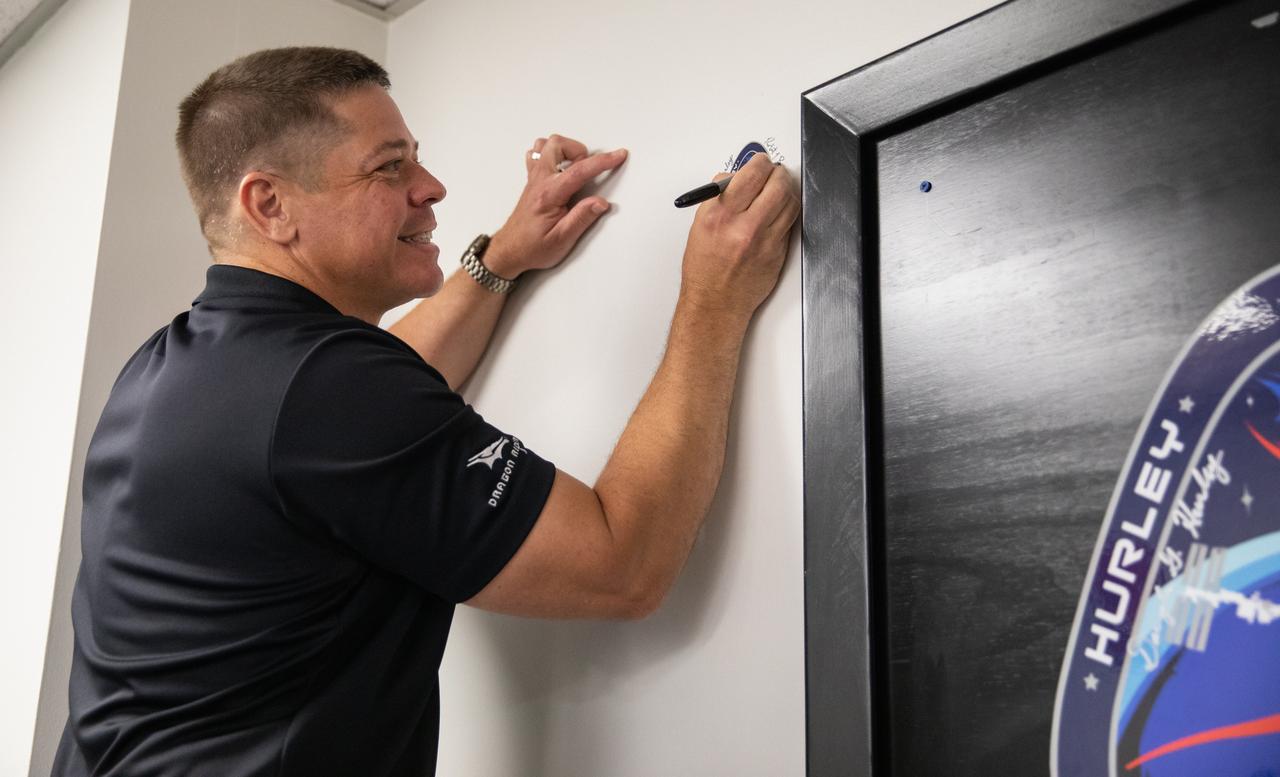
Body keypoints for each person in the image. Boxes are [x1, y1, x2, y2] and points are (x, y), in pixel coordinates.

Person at [53, 46, 798, 777]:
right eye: (390, 166)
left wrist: (499, 257)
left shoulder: (174, 367)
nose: (433, 186)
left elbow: (367, 409)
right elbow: (622, 564)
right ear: (270, 205)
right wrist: (717, 295)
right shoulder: (329, 392)